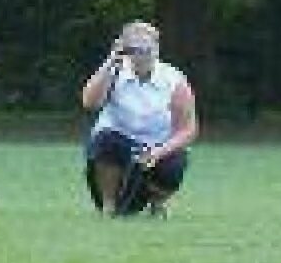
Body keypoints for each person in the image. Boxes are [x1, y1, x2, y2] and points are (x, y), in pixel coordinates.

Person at [80, 20, 199, 217]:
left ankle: (157, 202)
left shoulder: (174, 80)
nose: (142, 54)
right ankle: (108, 203)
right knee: (104, 141)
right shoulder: (114, 72)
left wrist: (159, 152)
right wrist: (111, 61)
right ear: (125, 50)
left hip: (158, 144)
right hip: (120, 139)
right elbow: (90, 103)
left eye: (148, 48)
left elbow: (188, 129)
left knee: (174, 165)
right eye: (135, 49)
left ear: (157, 49)